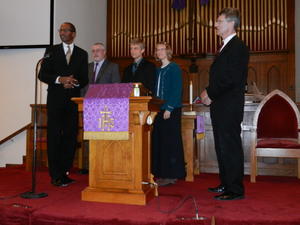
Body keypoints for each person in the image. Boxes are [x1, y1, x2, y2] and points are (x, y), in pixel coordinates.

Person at [200, 8, 249, 200]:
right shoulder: (225, 47)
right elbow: (221, 76)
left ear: (231, 23)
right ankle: (226, 183)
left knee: (230, 146)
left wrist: (210, 93)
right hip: (221, 105)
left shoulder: (238, 47)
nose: (216, 24)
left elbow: (230, 78)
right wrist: (208, 91)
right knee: (221, 146)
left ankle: (235, 189)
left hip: (228, 106)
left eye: (219, 21)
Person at [38, 22, 88, 187]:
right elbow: (43, 74)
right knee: (54, 136)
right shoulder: (51, 51)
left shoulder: (82, 54)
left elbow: (84, 78)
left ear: (73, 33)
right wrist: (60, 80)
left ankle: (65, 172)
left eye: (66, 30)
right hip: (55, 100)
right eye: (61, 30)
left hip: (72, 102)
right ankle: (55, 174)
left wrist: (73, 82)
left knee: (69, 137)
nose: (62, 33)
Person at [151, 42, 186, 186]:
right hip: (159, 110)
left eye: (162, 49)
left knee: (170, 142)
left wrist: (169, 108)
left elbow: (176, 90)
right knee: (160, 142)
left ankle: (171, 175)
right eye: (157, 50)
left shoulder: (174, 68)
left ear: (168, 51)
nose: (159, 52)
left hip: (170, 110)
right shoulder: (158, 70)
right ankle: (161, 173)